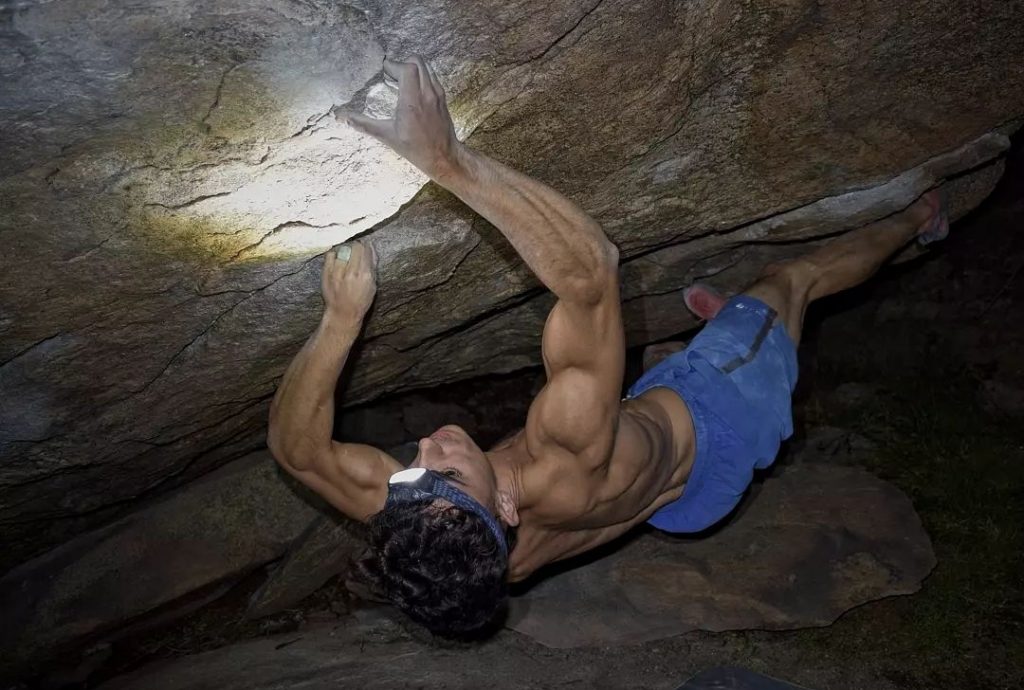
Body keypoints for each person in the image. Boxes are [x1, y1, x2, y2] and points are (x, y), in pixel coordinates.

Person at [267, 56, 948, 638]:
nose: (429, 450)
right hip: (722, 414)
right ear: (502, 510)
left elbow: (297, 450)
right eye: (449, 472)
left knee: (627, 405)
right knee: (792, 282)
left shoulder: (446, 536)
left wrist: (339, 321)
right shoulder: (563, 452)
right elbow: (594, 272)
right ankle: (921, 221)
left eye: (417, 474)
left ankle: (709, 331)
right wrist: (448, 160)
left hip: (676, 507)